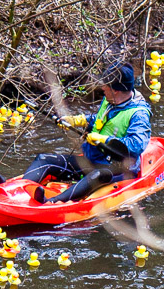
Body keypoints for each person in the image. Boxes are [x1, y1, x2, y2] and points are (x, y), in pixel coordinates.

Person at [24, 64, 151, 204]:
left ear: (116, 90)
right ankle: (18, 190)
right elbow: (101, 121)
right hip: (93, 160)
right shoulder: (110, 100)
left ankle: (51, 202)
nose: (102, 88)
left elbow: (137, 145)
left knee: (96, 175)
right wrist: (79, 121)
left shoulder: (139, 114)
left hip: (118, 170)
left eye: (106, 85)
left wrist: (104, 139)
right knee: (44, 159)